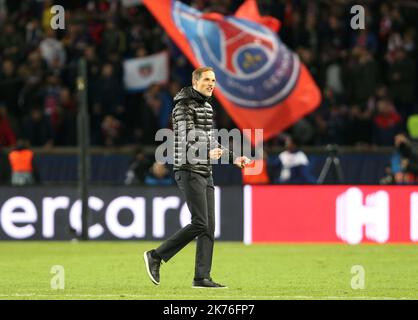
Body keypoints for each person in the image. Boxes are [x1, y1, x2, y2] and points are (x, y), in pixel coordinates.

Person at [143, 67, 250, 288]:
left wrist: (233, 158)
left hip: (205, 171)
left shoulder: (207, 107)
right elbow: (183, 139)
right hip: (188, 168)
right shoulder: (182, 106)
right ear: (195, 81)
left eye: (214, 80)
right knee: (200, 222)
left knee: (208, 226)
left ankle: (202, 277)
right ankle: (156, 255)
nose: (212, 84)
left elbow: (211, 142)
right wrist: (204, 153)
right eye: (207, 80)